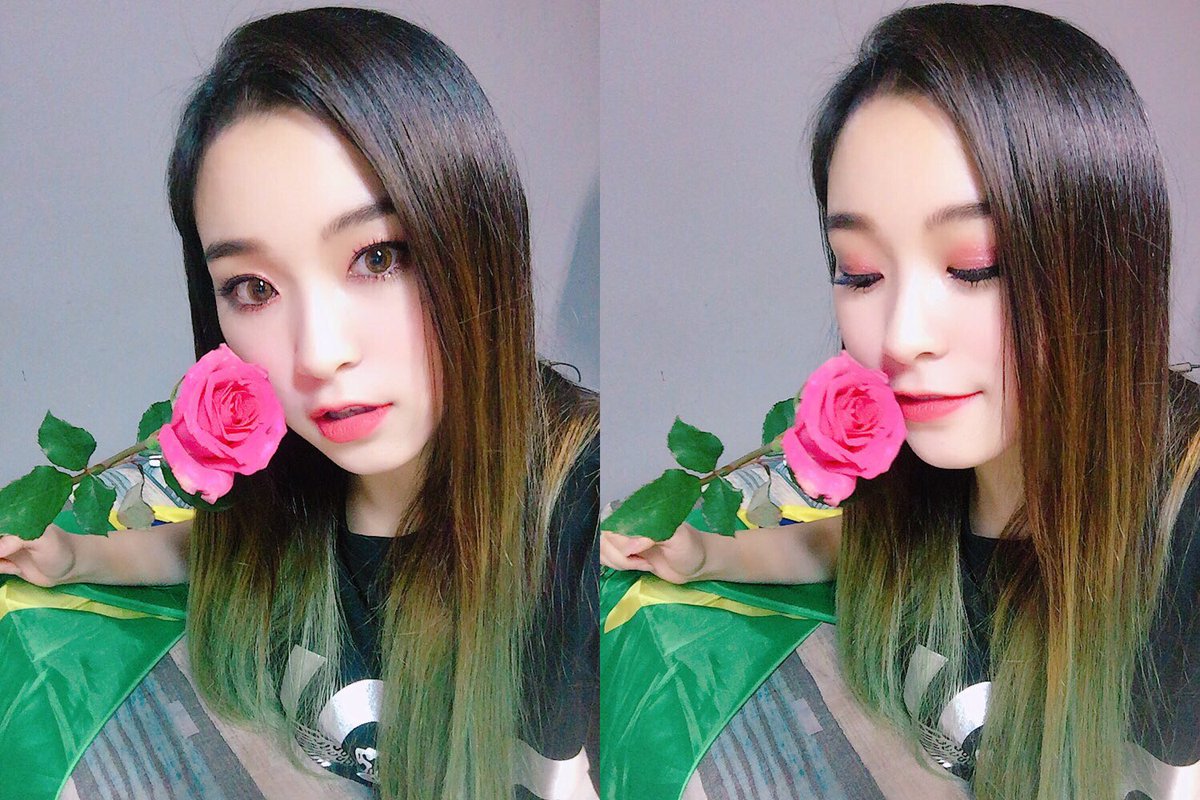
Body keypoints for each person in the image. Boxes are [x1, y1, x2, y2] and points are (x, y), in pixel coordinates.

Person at [0, 8, 599, 800]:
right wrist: (73, 553)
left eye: (378, 257)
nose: (316, 354)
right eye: (253, 288)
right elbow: (213, 555)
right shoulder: (276, 483)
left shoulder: (582, 513)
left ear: (477, 237)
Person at [601, 4, 1198, 798]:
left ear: (1105, 258)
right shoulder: (929, 468)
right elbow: (866, 550)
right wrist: (708, 553)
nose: (901, 335)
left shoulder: (1179, 526)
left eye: (974, 266)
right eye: (859, 272)